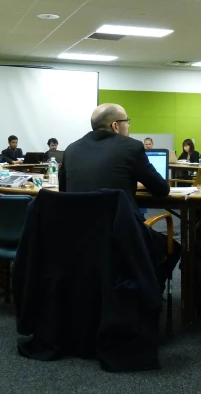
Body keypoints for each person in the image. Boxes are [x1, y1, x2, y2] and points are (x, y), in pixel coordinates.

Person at [59, 104, 180, 292]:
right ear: (116, 126)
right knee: (174, 248)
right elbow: (161, 189)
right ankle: (147, 295)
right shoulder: (131, 146)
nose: (128, 126)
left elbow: (64, 192)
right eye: (127, 122)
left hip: (78, 238)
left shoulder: (71, 149)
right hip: (122, 238)